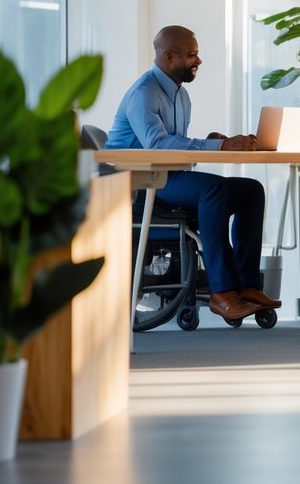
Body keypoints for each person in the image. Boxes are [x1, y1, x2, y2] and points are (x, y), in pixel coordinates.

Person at [106, 25, 271, 322]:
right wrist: (219, 146)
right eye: (192, 54)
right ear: (170, 57)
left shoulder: (180, 95)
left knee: (251, 190)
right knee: (213, 190)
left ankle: (245, 285)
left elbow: (173, 144)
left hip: (166, 176)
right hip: (139, 185)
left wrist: (213, 141)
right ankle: (222, 292)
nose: (199, 60)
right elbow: (158, 145)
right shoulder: (144, 93)